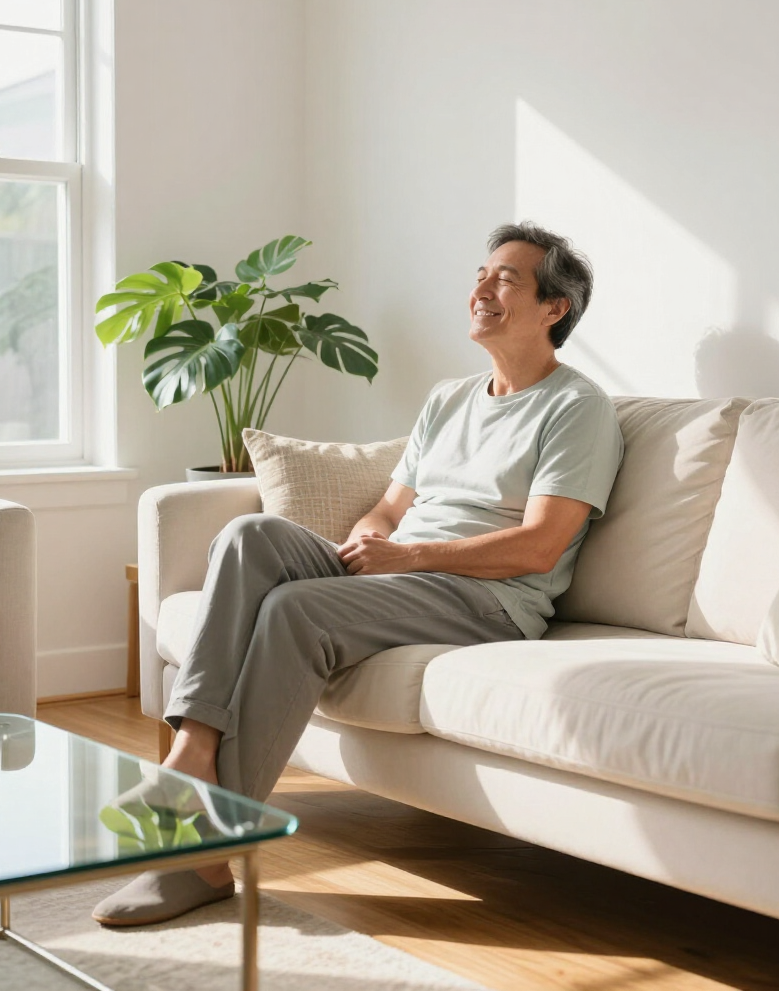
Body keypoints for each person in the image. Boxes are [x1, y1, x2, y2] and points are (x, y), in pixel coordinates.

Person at [92, 221, 625, 926]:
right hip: (404, 573)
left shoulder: (576, 408)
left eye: (506, 279)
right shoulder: (449, 398)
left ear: (554, 308)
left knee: (297, 610)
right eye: (480, 274)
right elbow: (390, 507)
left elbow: (538, 547)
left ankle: (208, 857)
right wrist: (372, 537)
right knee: (251, 536)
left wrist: (406, 556)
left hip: (488, 599)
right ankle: (191, 748)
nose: (480, 289)